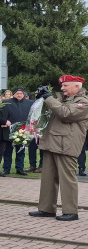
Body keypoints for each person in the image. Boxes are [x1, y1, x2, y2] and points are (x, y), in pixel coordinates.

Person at [31, 76, 88, 221]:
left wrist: (49, 98)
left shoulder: (83, 102)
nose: (62, 88)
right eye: (62, 86)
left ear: (76, 86)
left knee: (67, 179)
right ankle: (46, 209)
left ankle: (71, 211)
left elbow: (66, 114)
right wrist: (42, 99)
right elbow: (51, 111)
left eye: (65, 86)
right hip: (52, 142)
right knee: (48, 178)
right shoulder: (62, 99)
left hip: (66, 144)